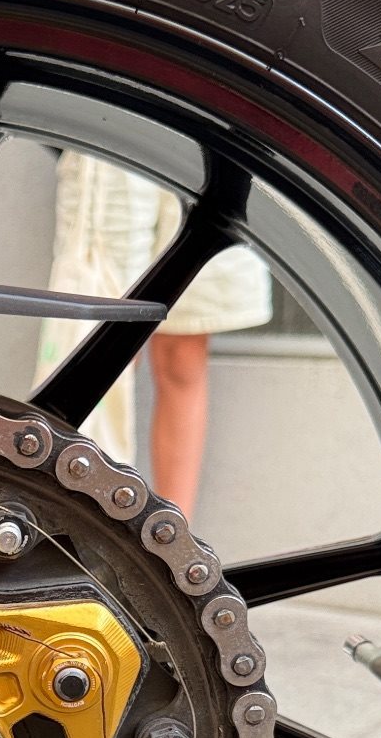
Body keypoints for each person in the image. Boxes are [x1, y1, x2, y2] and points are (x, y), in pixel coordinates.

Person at [36, 153, 273, 515]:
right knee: (105, 342)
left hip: (215, 143)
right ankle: (81, 523)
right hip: (124, 146)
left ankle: (173, 533)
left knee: (184, 352)